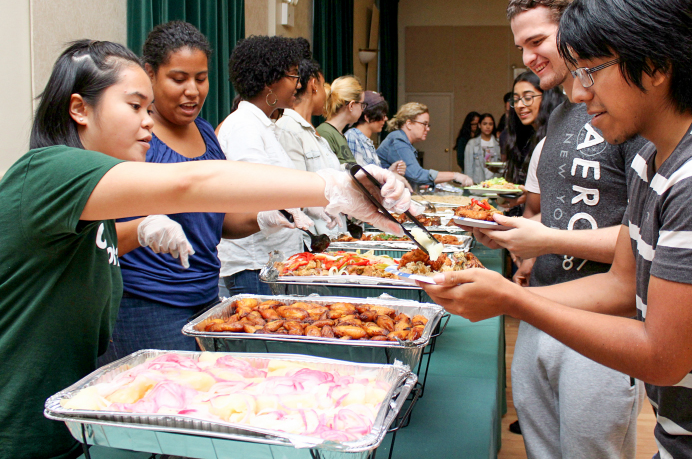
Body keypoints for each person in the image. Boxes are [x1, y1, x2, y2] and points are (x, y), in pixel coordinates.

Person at [0, 39, 413, 459]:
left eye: (148, 109)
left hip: (65, 425)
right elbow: (190, 183)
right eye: (135, 106)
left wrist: (141, 229)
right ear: (78, 109)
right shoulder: (47, 170)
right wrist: (332, 187)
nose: (147, 123)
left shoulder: (89, 194)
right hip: (21, 432)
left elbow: (84, 252)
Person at [422, 0, 692, 459]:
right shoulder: (657, 158)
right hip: (685, 435)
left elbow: (662, 356)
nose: (581, 94)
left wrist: (514, 302)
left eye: (591, 72)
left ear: (654, 64)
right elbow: (620, 283)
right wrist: (505, 292)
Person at [440, 0, 648, 458]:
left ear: (578, 28)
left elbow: (647, 238)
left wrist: (546, 239)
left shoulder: (625, 109)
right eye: (521, 47)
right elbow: (553, 215)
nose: (530, 58)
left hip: (607, 318)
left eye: (537, 41)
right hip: (542, 303)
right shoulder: (560, 113)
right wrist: (515, 238)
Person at [101, 21, 262, 362]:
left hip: (205, 296)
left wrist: (264, 217)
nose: (192, 90)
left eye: (200, 78)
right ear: (150, 74)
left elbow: (218, 221)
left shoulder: (206, 132)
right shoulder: (135, 137)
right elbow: (103, 231)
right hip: (146, 302)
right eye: (178, 79)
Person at [216, 35, 317, 296]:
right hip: (254, 265)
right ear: (270, 81)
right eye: (294, 75)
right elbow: (256, 190)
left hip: (272, 260)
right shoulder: (243, 126)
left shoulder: (263, 125)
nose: (298, 84)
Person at [276, 58, 346, 236]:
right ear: (314, 85)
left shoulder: (310, 131)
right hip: (314, 238)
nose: (325, 94)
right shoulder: (289, 128)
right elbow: (293, 190)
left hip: (332, 235)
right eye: (323, 86)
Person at [378, 102, 474, 189]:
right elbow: (416, 175)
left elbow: (411, 176)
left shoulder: (399, 139)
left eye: (428, 125)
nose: (427, 129)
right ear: (409, 124)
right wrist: (455, 175)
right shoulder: (398, 141)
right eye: (424, 124)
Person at [503, 70, 565, 185]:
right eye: (516, 100)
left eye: (527, 98)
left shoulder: (561, 139)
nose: (519, 105)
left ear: (547, 98)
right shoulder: (524, 138)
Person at [344, 90, 405, 176]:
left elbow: (373, 178)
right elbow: (356, 177)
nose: (386, 118)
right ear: (368, 117)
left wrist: (390, 172)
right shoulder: (352, 137)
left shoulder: (366, 141)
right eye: (382, 115)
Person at [316, 75, 365, 166]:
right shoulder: (325, 133)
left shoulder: (338, 134)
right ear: (351, 105)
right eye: (362, 104)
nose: (363, 109)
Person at [463, 113, 501, 184]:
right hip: (477, 183)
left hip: (494, 184)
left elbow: (501, 167)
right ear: (479, 125)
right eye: (485, 124)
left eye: (490, 124)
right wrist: (470, 184)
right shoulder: (472, 144)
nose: (488, 127)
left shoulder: (498, 144)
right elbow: (468, 168)